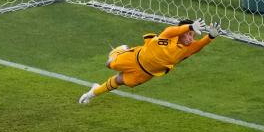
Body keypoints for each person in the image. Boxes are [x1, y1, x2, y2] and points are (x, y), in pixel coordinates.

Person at [79, 19, 219, 104]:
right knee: (109, 64)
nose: (191, 38)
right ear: (180, 31)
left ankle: (93, 92)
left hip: (145, 73)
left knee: (120, 81)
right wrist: (189, 26)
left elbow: (200, 45)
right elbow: (171, 30)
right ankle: (119, 50)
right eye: (189, 34)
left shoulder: (186, 49)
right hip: (134, 59)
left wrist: (211, 36)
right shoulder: (168, 36)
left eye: (193, 35)